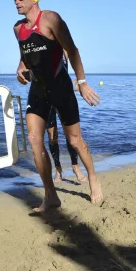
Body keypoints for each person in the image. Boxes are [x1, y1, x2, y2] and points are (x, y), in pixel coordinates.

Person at [12, 0, 103, 213]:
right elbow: (25, 56)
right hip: (38, 89)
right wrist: (20, 69)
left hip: (61, 87)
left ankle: (92, 178)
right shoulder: (17, 29)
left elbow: (72, 50)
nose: (16, 2)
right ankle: (51, 195)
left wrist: (81, 83)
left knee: (75, 141)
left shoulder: (51, 19)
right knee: (34, 140)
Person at [45, 53, 87, 183]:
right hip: (46, 96)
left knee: (71, 135)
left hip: (64, 96)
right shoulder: (40, 46)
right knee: (52, 136)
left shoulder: (64, 50)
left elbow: (71, 64)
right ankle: (58, 170)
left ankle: (75, 167)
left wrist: (79, 82)